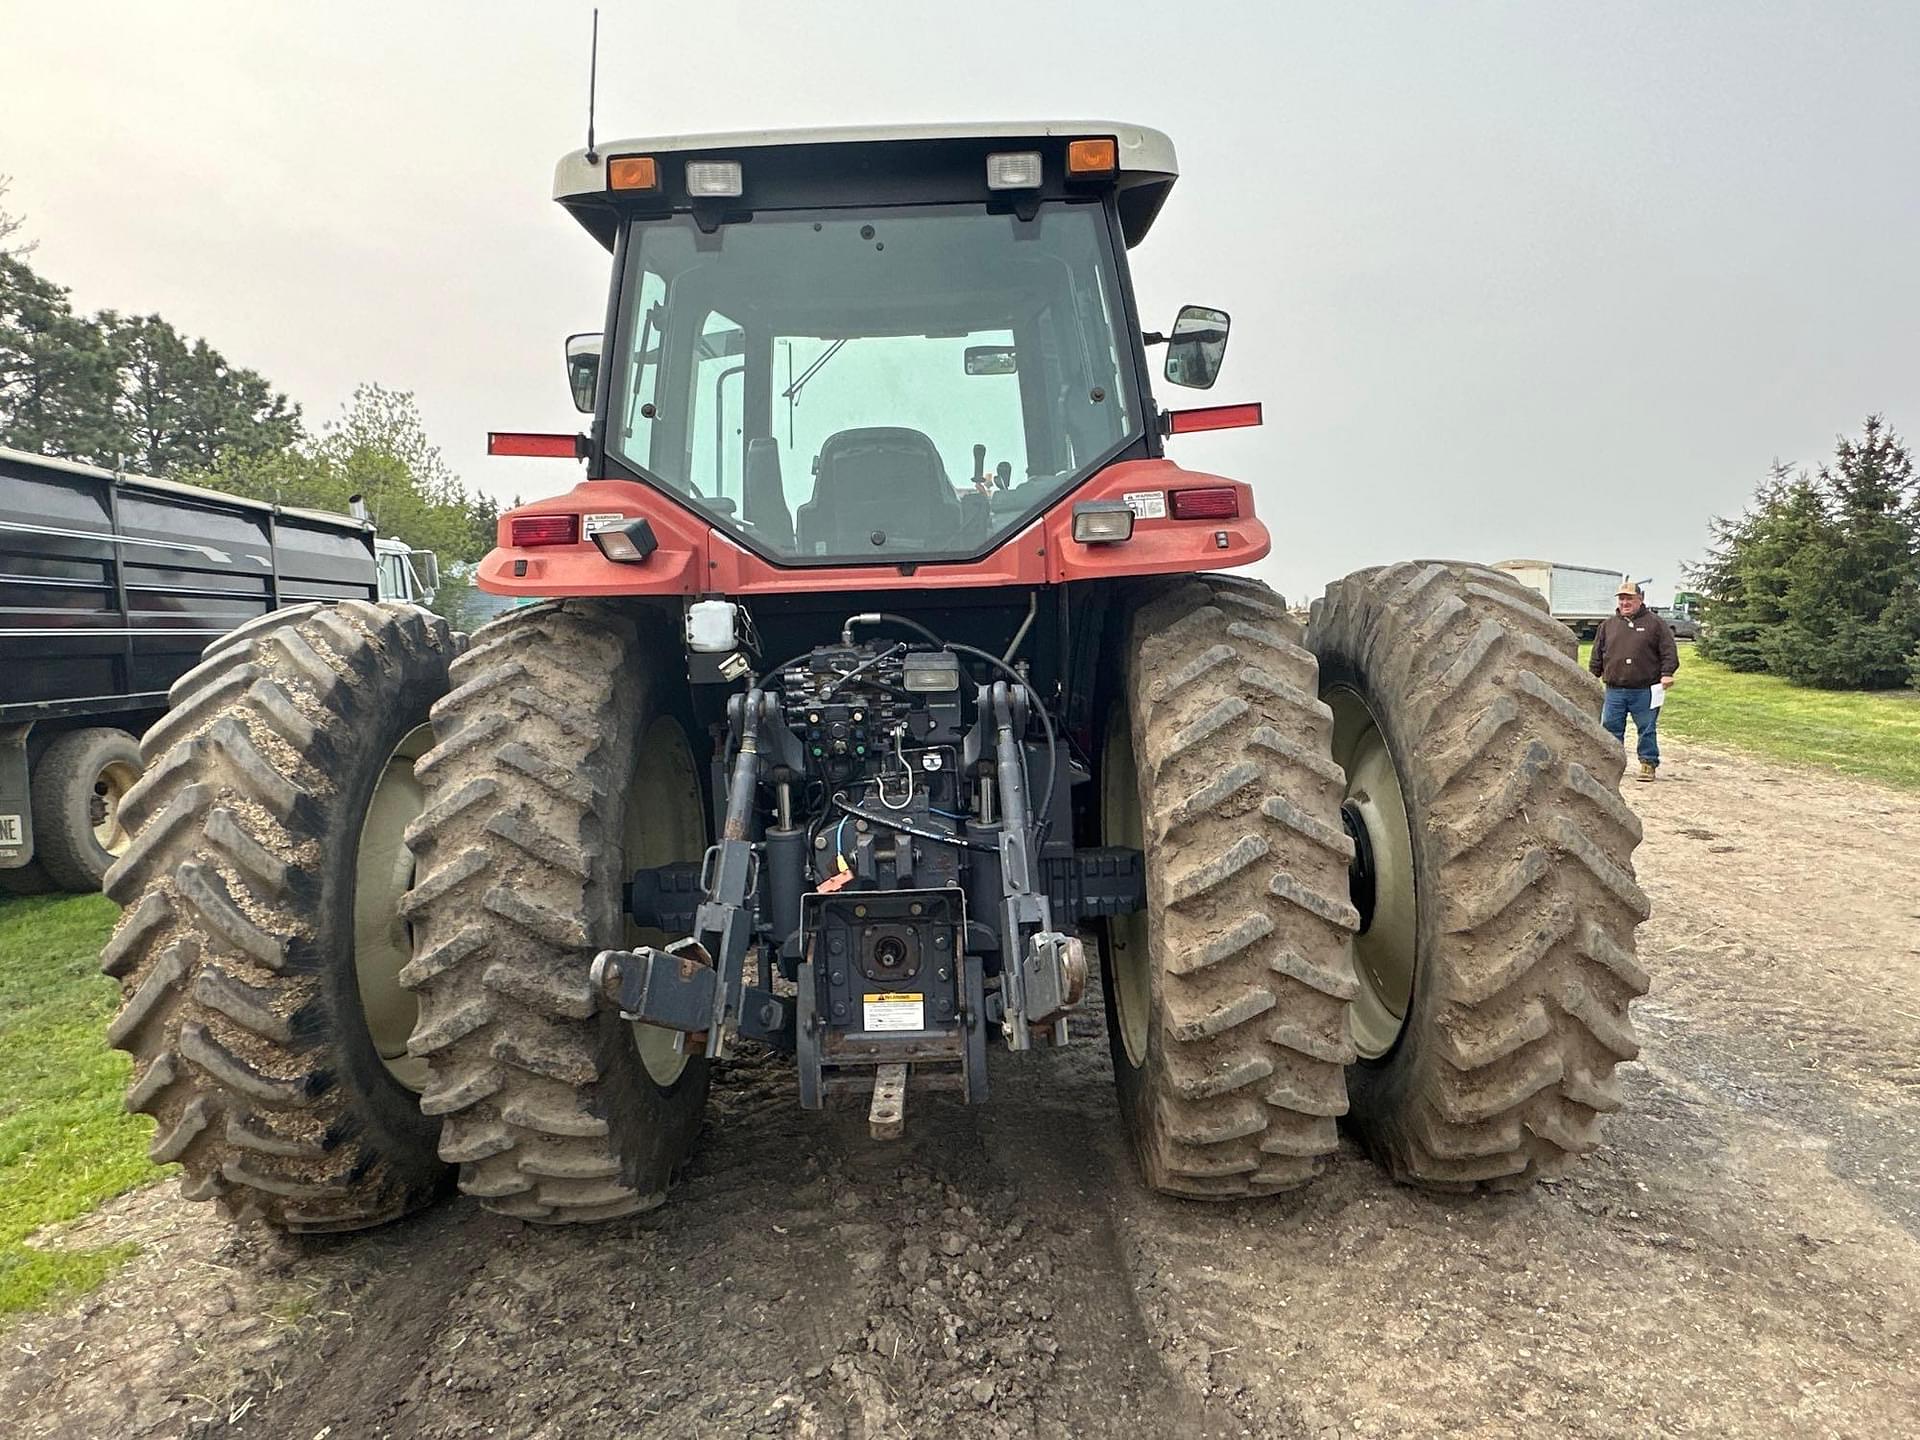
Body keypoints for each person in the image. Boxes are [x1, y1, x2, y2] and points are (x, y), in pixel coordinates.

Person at [1590, 580, 1678, 781]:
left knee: (1647, 728)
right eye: (1622, 599)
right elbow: (1597, 653)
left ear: (1640, 599)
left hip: (1645, 689)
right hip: (1614, 689)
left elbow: (1668, 651)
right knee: (1611, 728)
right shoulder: (1608, 625)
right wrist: (1593, 674)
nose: (1625, 603)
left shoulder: (1655, 624)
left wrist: (1667, 673)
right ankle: (1610, 765)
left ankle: (1648, 763)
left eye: (1629, 598)